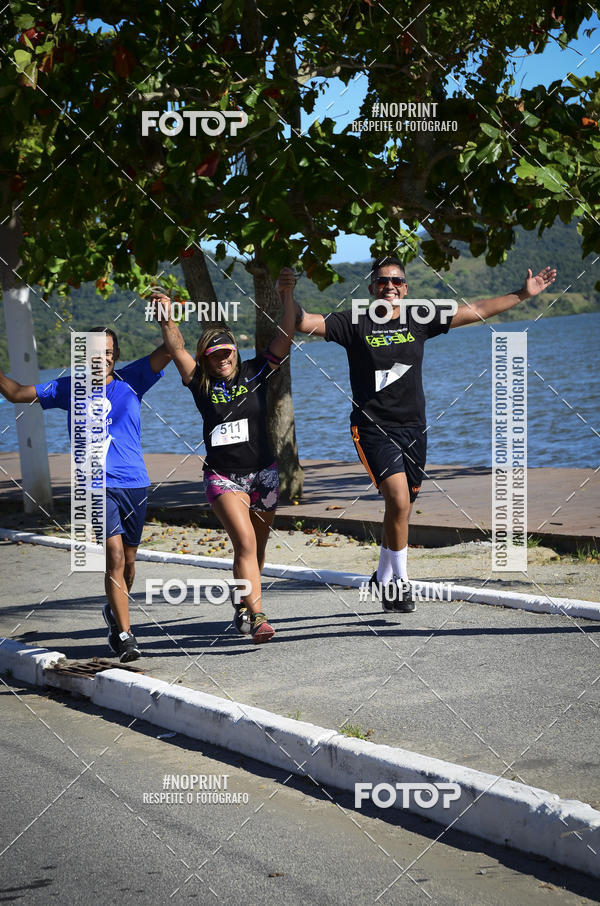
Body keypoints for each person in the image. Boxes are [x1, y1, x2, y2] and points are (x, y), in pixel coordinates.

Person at [295, 256, 556, 612]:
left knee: (401, 508)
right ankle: (400, 584)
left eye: (397, 281)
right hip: (372, 428)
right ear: (372, 289)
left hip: (414, 428)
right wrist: (286, 295)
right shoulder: (354, 322)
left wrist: (522, 296)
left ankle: (383, 577)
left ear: (405, 287)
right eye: (383, 281)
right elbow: (304, 322)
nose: (390, 287)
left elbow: (475, 309)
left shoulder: (420, 317)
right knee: (399, 502)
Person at [0, 328, 171, 661]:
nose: (102, 358)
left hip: (135, 483)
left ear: (115, 354)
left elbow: (170, 349)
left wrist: (165, 316)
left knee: (131, 563)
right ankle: (125, 635)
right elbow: (17, 393)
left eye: (107, 352)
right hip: (95, 485)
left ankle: (113, 612)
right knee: (115, 556)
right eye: (94, 353)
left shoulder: (133, 379)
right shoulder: (68, 388)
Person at [151, 268, 297, 644]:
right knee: (245, 542)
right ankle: (260, 616)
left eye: (226, 351)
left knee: (256, 549)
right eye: (213, 354)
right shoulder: (200, 382)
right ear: (206, 357)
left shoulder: (255, 372)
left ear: (235, 350)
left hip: (263, 474)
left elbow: (284, 336)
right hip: (223, 477)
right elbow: (177, 349)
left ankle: (242, 602)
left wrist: (286, 298)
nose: (222, 359)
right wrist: (167, 316)